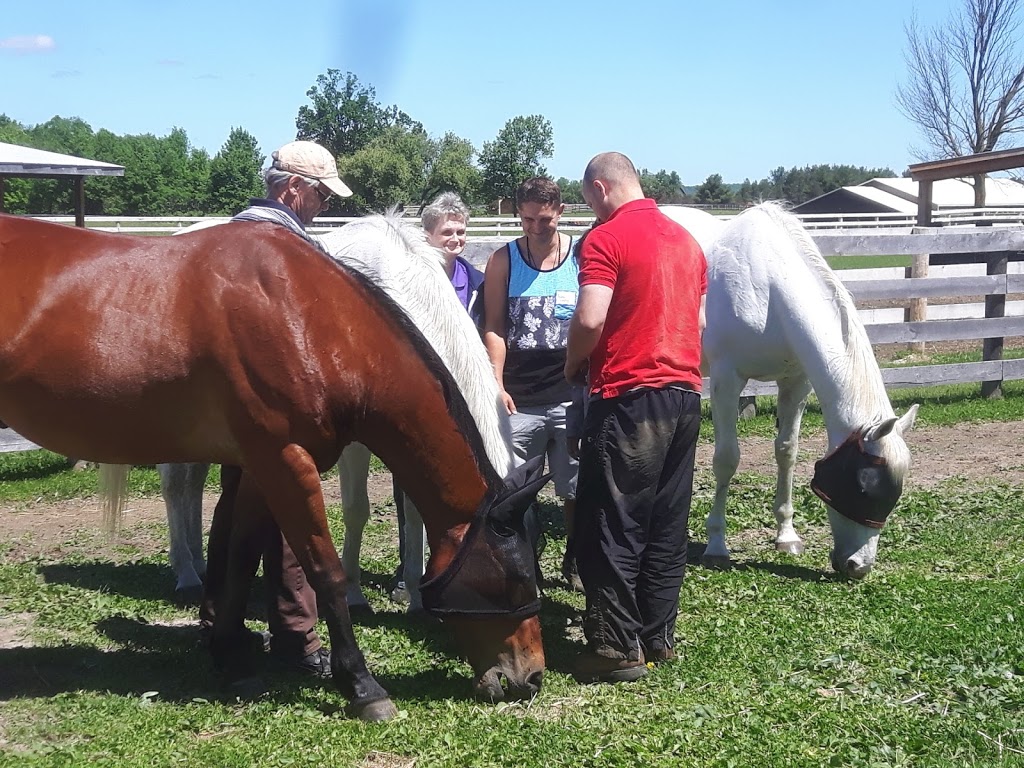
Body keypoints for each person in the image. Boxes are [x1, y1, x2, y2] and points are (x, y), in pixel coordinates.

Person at [200, 140, 353, 677]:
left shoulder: (222, 238)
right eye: (320, 197)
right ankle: (295, 633)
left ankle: (222, 614)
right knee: (290, 511)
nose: (324, 207)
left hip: (226, 411)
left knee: (234, 504)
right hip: (276, 404)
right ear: (293, 190)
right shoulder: (283, 249)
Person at [565, 152, 707, 684]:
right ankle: (656, 635)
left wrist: (573, 360)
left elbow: (591, 315)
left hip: (629, 395)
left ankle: (615, 647)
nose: (592, 211)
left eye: (589, 201)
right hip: (685, 394)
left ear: (601, 189)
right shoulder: (686, 241)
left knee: (614, 519)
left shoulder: (607, 238)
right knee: (667, 522)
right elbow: (700, 321)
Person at [482, 177, 583, 591]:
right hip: (520, 398)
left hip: (571, 393)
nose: (535, 228)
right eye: (526, 219)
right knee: (518, 489)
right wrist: (496, 383)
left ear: (560, 212)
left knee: (574, 486)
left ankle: (575, 559)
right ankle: (526, 560)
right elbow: (494, 326)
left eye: (543, 219)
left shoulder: (581, 255)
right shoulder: (505, 259)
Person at [388, 191, 485, 605]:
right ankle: (408, 569)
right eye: (448, 231)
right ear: (426, 235)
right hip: (419, 397)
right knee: (408, 487)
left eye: (461, 230)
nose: (456, 238)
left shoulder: (476, 283)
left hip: (463, 398)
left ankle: (449, 565)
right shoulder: (404, 284)